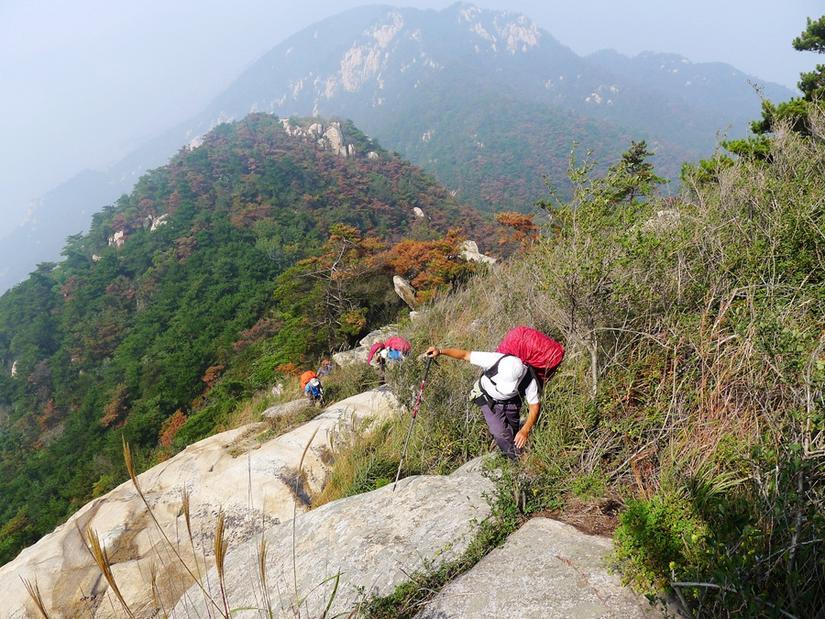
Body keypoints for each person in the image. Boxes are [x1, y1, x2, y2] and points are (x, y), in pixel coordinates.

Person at [424, 345, 541, 458]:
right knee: (500, 433)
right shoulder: (493, 360)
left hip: (511, 402)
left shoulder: (529, 379)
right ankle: (519, 460)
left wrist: (525, 430)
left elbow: (534, 407)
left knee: (513, 429)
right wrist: (440, 351)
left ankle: (511, 451)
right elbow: (465, 355)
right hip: (487, 398)